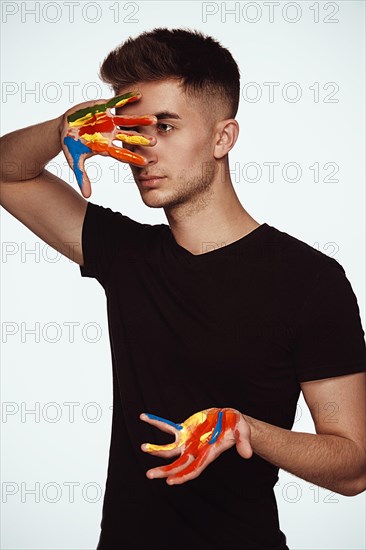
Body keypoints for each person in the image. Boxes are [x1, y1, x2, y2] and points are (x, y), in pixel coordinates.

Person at [1, 27, 365, 550]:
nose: (142, 150)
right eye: (131, 131)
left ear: (223, 138)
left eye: (165, 127)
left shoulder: (310, 281)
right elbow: (8, 172)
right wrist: (65, 127)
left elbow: (353, 466)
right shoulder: (125, 254)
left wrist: (244, 429)